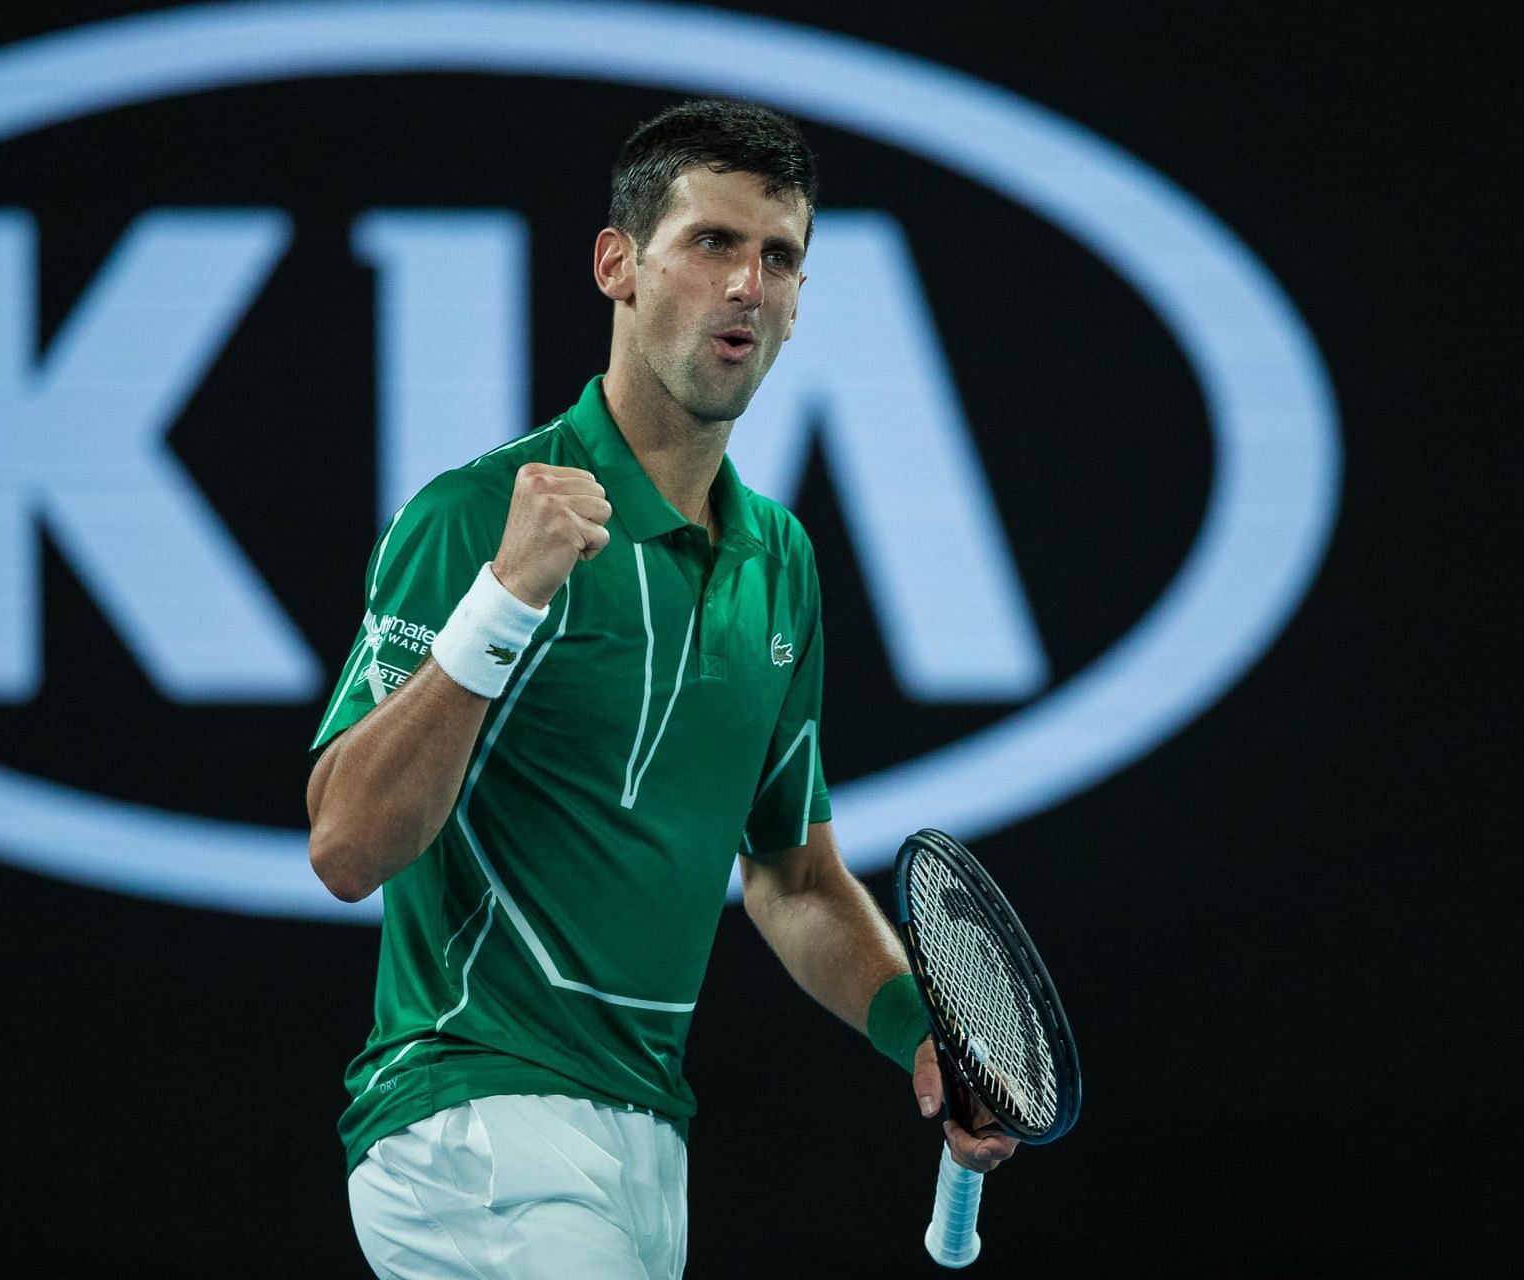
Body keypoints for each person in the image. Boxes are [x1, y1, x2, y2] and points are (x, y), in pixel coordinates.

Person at [306, 98, 1016, 1279]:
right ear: (617, 265)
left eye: (779, 256)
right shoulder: (476, 517)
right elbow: (345, 845)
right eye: (712, 243)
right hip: (471, 1115)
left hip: (645, 1142)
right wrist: (503, 604)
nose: (748, 284)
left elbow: (793, 875)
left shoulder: (779, 562)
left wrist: (916, 1034)